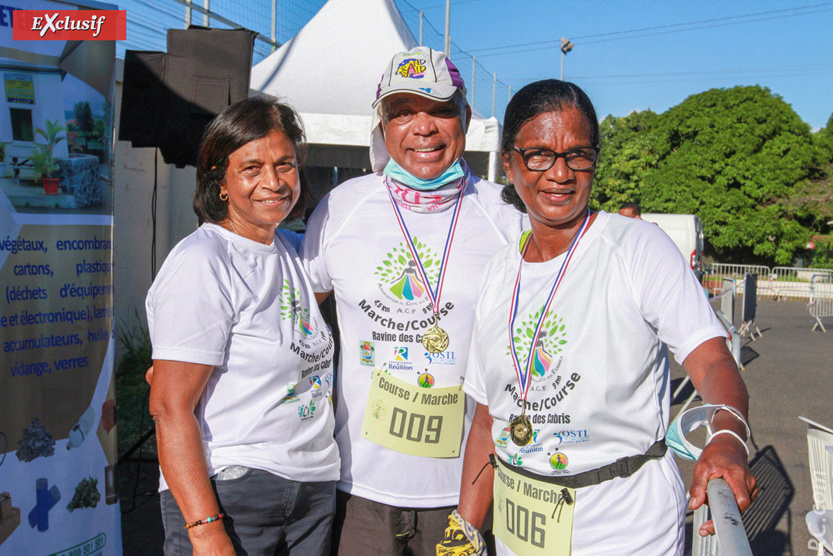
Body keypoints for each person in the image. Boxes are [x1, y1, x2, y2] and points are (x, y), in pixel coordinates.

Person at [455, 80, 757, 555]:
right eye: (538, 155)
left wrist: (727, 437)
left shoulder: (636, 249)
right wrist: (465, 531)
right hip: (518, 535)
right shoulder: (498, 271)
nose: (560, 173)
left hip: (624, 532)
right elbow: (486, 421)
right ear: (509, 163)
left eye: (578, 154)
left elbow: (715, 361)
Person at [299, 46, 524, 555]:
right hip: (358, 489)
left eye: (440, 109)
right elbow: (295, 323)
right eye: (403, 112)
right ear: (382, 125)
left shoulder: (507, 217)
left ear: (465, 117)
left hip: (468, 490)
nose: (422, 127)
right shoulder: (340, 209)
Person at [147, 96, 339, 555]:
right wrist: (206, 530)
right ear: (222, 183)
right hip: (233, 491)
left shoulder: (297, 252)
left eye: (285, 164)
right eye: (251, 167)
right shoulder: (203, 261)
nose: (272, 182)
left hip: (313, 489)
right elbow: (170, 407)